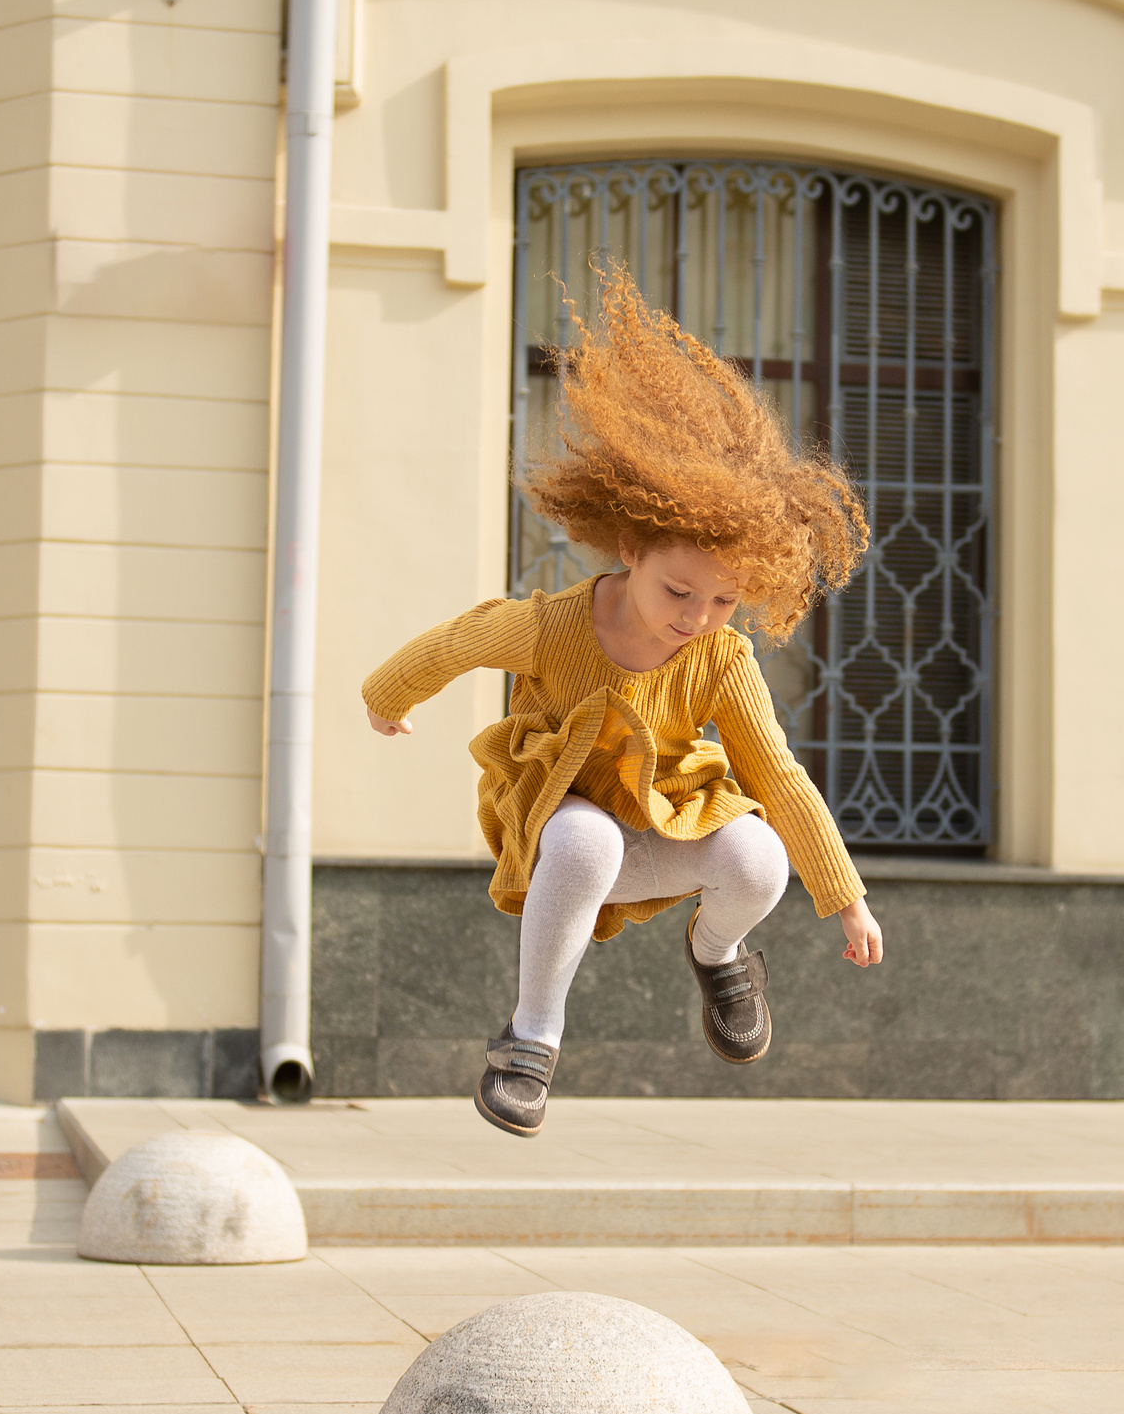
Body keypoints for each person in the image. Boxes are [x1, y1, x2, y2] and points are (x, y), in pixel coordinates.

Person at [362, 264, 886, 1137]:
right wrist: (387, 695)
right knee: (586, 836)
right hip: (560, 821)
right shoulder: (554, 627)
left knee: (759, 857)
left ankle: (718, 955)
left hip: (664, 820)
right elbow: (460, 640)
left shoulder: (719, 656)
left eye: (723, 600)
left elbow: (779, 776)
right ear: (632, 545)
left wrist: (847, 897)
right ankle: (531, 1040)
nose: (697, 617)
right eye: (679, 591)